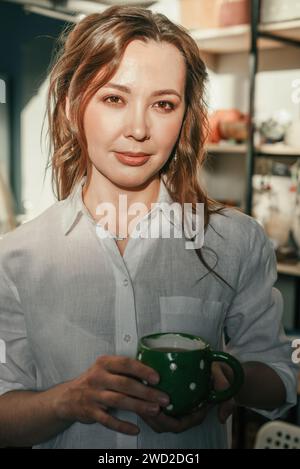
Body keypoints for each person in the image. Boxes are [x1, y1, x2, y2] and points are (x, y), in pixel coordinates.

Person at [0, 5, 297, 449]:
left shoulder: (236, 240)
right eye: (114, 98)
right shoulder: (15, 258)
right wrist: (68, 400)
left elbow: (279, 375)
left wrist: (224, 380)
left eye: (163, 104)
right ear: (70, 107)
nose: (138, 129)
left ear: (184, 117)